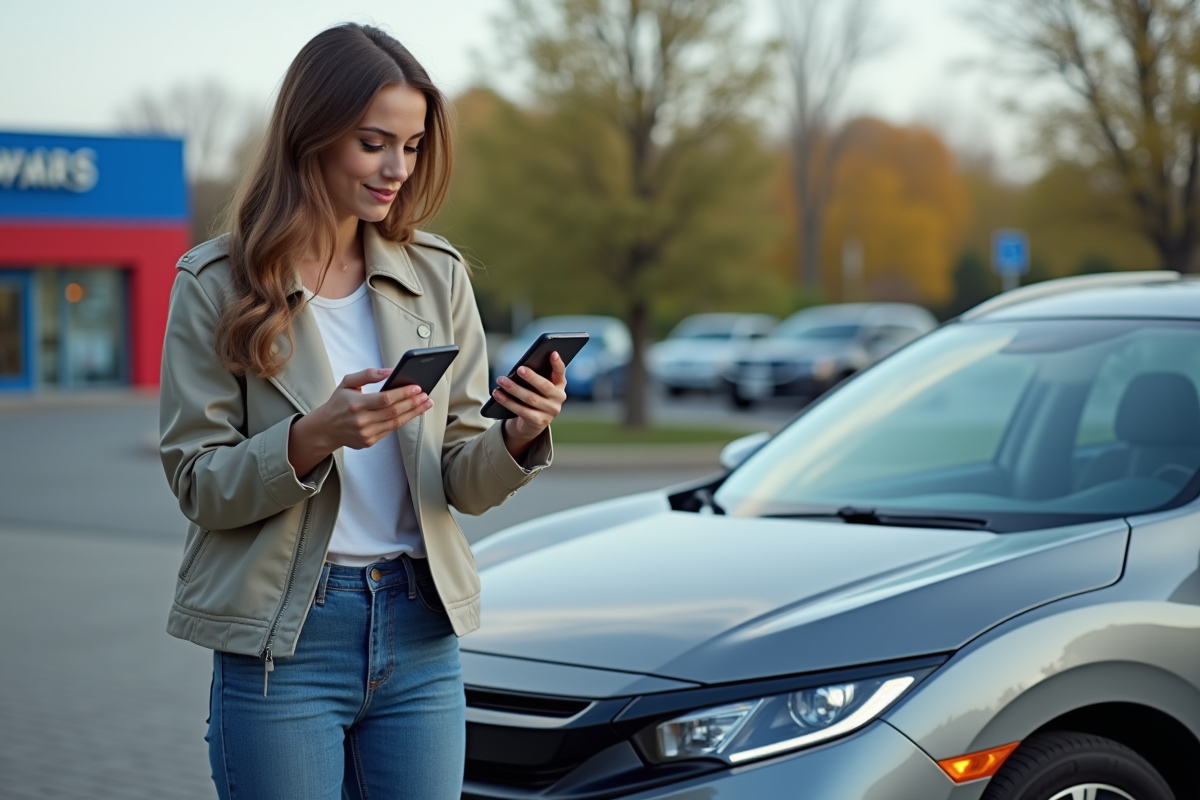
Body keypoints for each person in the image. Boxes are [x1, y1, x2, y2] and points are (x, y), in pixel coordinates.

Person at [157, 23, 565, 800]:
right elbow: (198, 484)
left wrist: (518, 434)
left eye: (411, 147)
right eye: (375, 142)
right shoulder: (214, 283)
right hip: (287, 642)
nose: (397, 170)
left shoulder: (437, 275)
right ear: (311, 134)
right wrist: (313, 437)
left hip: (421, 633)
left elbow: (462, 480)